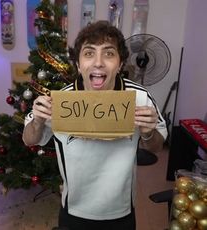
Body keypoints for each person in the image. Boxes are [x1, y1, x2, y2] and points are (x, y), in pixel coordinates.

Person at [23, 20, 167, 230]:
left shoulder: (140, 98)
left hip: (122, 211)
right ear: (78, 64)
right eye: (89, 53)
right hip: (74, 210)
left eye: (108, 53)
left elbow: (156, 147)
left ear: (119, 64)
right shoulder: (60, 101)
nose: (98, 62)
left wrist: (147, 133)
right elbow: (29, 139)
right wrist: (37, 121)